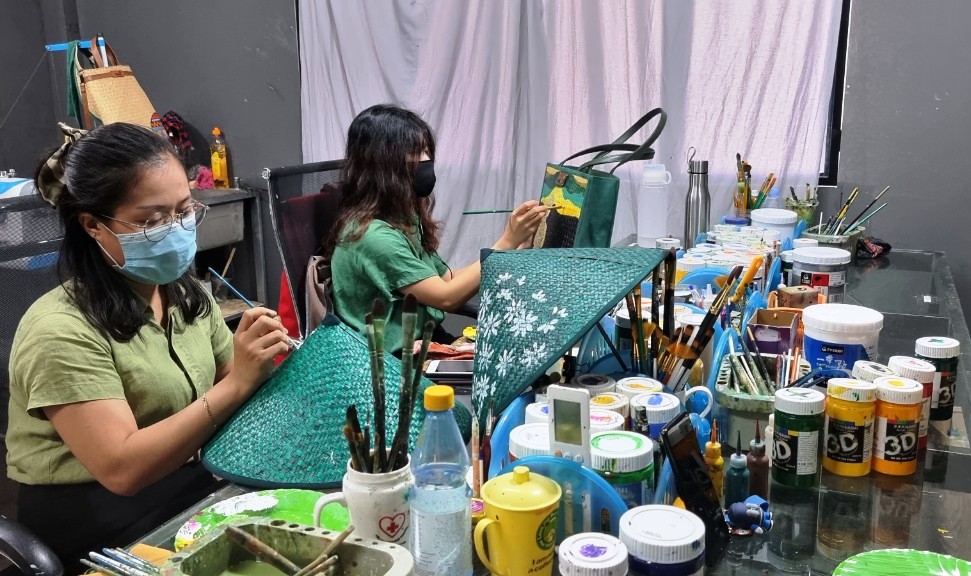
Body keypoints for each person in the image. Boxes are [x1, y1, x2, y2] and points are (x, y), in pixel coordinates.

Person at [5, 122, 290, 570]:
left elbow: (235, 380)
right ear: (93, 226)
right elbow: (122, 469)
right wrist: (238, 383)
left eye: (183, 210)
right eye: (152, 220)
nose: (175, 229)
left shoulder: (184, 293)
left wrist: (263, 365)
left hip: (188, 479)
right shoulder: (59, 330)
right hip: (97, 518)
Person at [325, 104, 548, 353]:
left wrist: (513, 250)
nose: (426, 161)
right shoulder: (373, 237)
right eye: (415, 153)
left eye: (426, 151)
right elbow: (446, 297)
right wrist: (506, 242)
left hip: (424, 340)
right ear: (382, 163)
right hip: (392, 360)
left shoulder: (402, 216)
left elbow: (444, 279)